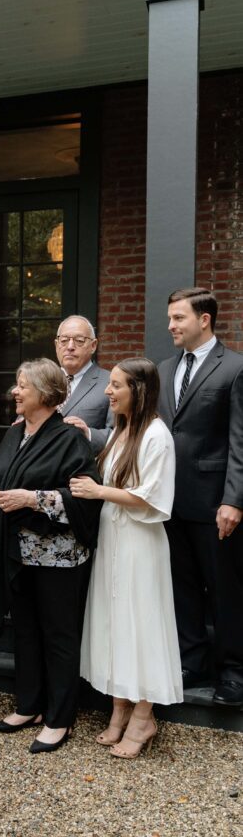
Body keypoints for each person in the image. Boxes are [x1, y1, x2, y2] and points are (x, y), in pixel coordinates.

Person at [0, 359, 102, 754]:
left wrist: (32, 499)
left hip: (58, 556)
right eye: (16, 385)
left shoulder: (69, 439)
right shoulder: (15, 434)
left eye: (23, 386)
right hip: (17, 552)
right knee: (26, 631)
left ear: (47, 394)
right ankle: (29, 705)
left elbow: (85, 494)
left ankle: (59, 718)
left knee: (58, 636)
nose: (15, 392)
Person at [75, 358, 182, 758]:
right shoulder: (121, 433)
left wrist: (98, 492)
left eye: (116, 384)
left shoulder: (157, 436)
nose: (108, 390)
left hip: (139, 541)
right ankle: (119, 706)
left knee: (141, 623)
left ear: (138, 389)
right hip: (112, 537)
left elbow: (152, 497)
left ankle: (143, 716)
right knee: (115, 620)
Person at [157, 288, 243, 706]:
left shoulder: (235, 369)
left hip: (215, 505)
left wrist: (234, 500)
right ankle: (192, 661)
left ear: (204, 319)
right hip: (169, 502)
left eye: (178, 318)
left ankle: (234, 673)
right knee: (182, 587)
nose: (170, 326)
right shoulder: (164, 369)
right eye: (171, 318)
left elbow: (240, 442)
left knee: (225, 590)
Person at [55, 315, 113, 453]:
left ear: (93, 346)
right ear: (56, 345)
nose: (70, 347)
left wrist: (88, 433)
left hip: (83, 471)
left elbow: (121, 435)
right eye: (64, 340)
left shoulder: (111, 382)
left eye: (79, 341)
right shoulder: (42, 382)